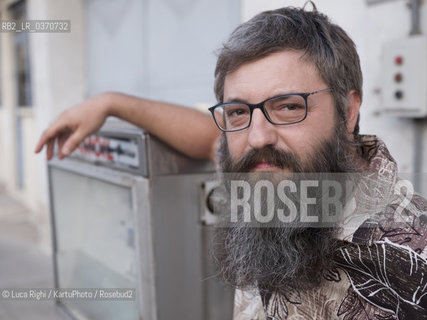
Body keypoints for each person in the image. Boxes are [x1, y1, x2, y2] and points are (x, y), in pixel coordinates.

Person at [36, 4, 426, 320]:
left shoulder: (408, 258)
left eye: (289, 106)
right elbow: (210, 137)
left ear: (349, 111)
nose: (257, 137)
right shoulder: (268, 172)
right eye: (239, 112)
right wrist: (111, 103)